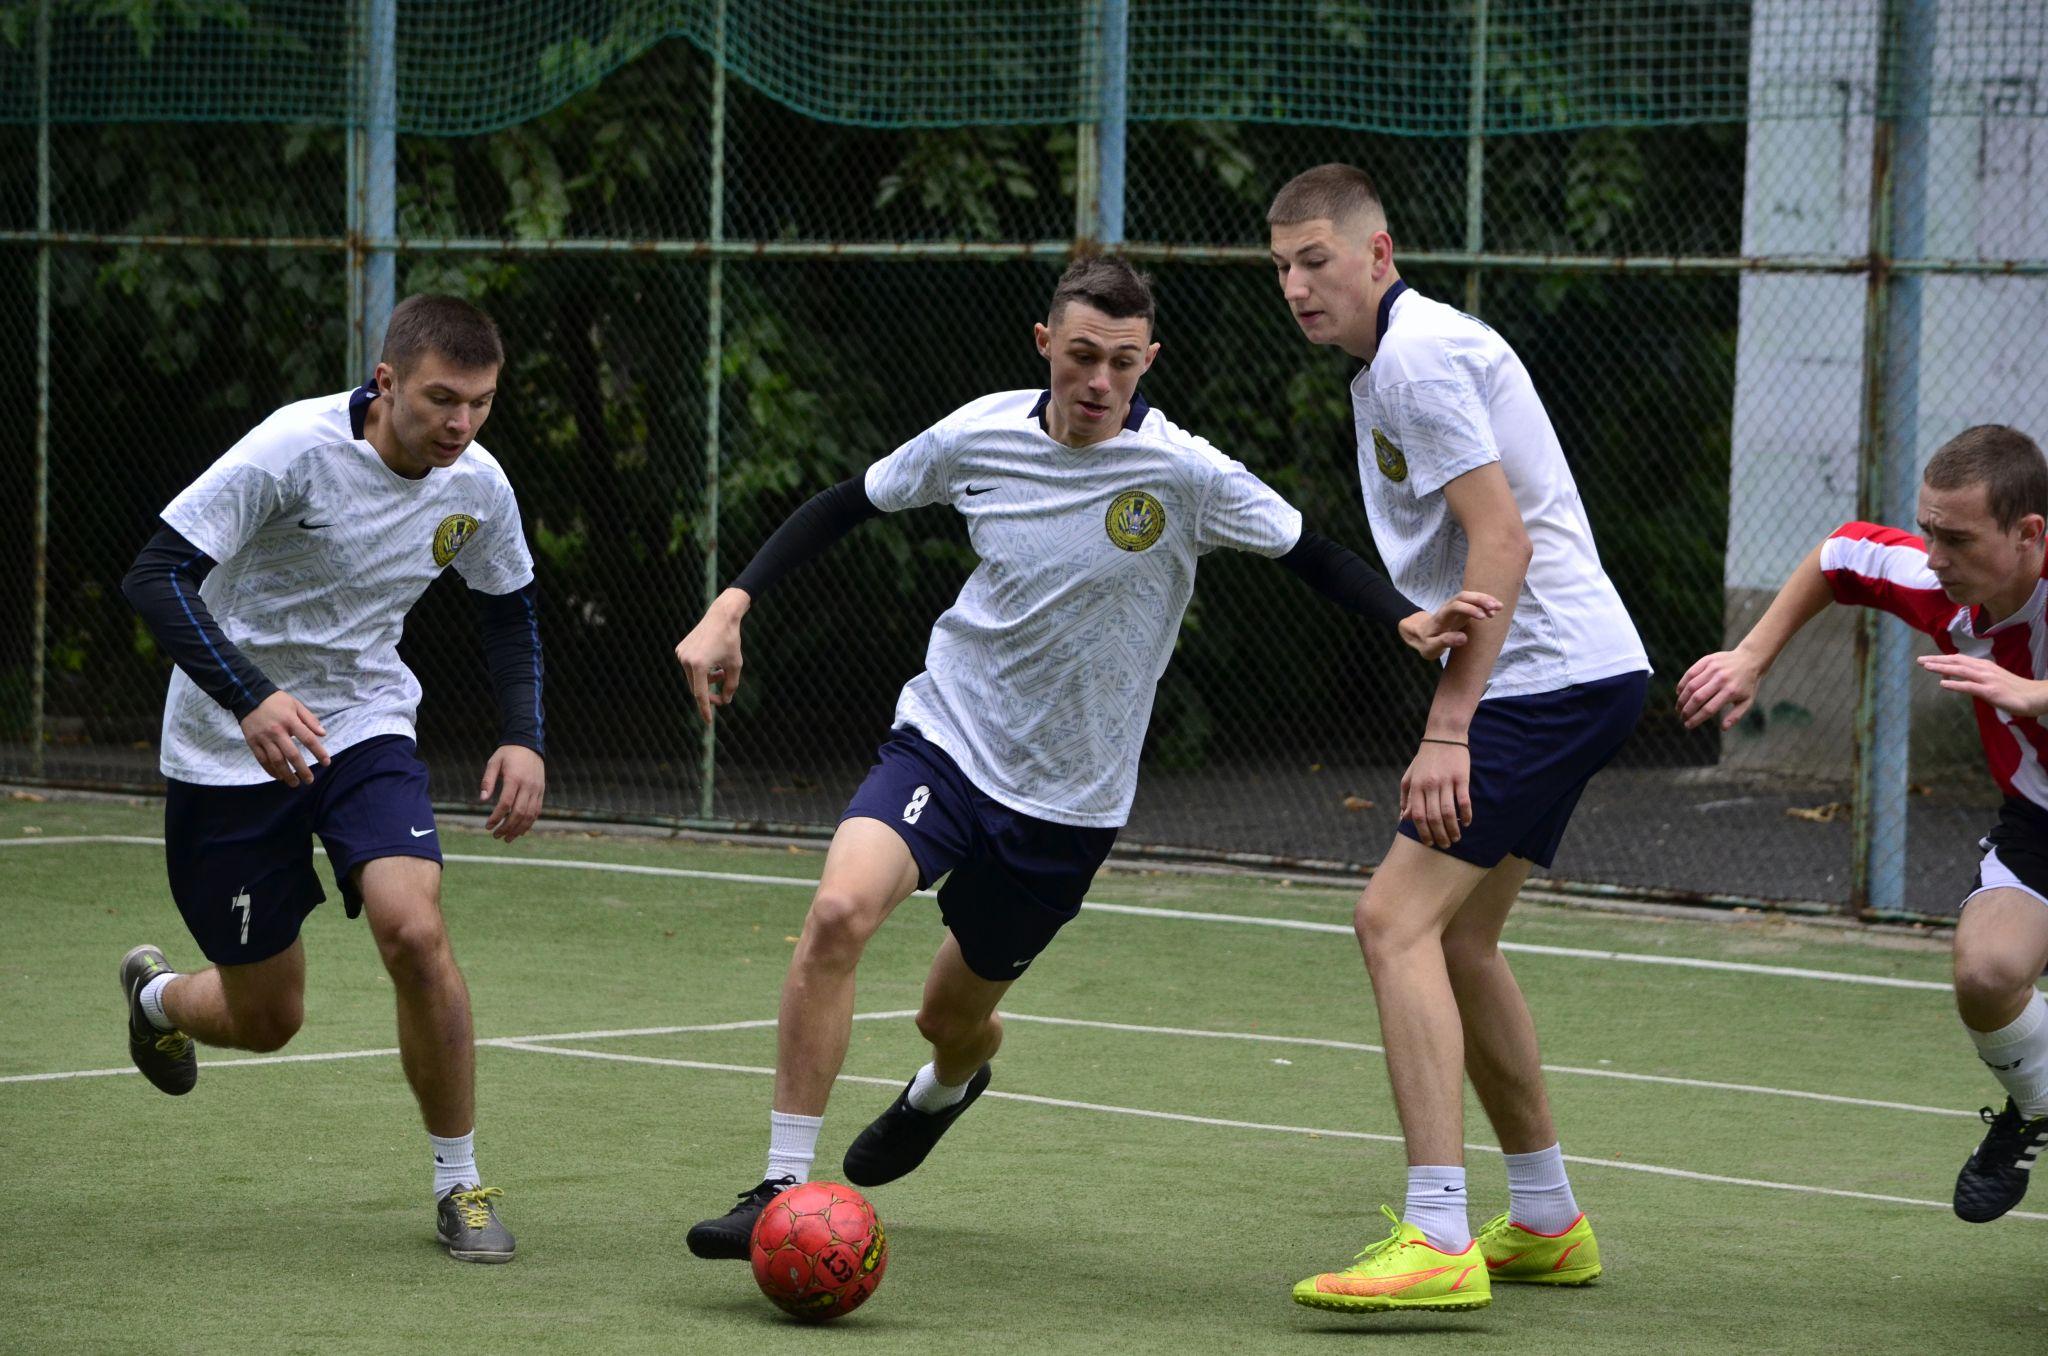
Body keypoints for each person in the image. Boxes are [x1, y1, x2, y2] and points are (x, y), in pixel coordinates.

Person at [674, 254, 1501, 1260]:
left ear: (1147, 359)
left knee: (951, 1017)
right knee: (839, 912)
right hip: (945, 737)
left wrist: (1406, 620)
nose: (1099, 383)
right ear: (1043, 348)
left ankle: (950, 1082)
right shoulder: (977, 434)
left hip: (1066, 805)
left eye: (1120, 362)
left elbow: (1308, 553)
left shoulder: (1185, 473)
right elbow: (847, 503)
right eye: (1079, 358)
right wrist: (731, 605)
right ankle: (779, 1186)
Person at [1268, 164, 1649, 1313]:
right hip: (1571, 674)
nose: (1294, 285)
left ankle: (1437, 1232)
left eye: (1315, 259)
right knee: (1458, 943)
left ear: (1378, 254)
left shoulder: (1418, 360)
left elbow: (1501, 545)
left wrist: (1448, 728)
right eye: (1280, 267)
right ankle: (1544, 1219)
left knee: (1390, 922)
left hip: (1541, 680)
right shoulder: (1398, 359)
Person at [115, 294, 546, 1263]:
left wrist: (525, 736)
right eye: (441, 399)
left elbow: (509, 609)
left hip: (361, 722)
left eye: (479, 403)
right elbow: (154, 575)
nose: (460, 424)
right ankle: (156, 1001)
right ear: (385, 382)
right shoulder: (291, 450)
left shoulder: (475, 480)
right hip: (228, 745)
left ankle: (459, 1184)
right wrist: (250, 696)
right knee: (268, 1019)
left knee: (414, 926)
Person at [1681, 423, 2048, 1226]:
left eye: (1955, 538)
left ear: (2029, 534)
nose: (1935, 555)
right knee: (1986, 972)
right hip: (2040, 821)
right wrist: (1751, 657)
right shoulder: (1938, 583)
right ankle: (2039, 1100)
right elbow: (1840, 554)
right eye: (1927, 529)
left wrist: (2037, 694)